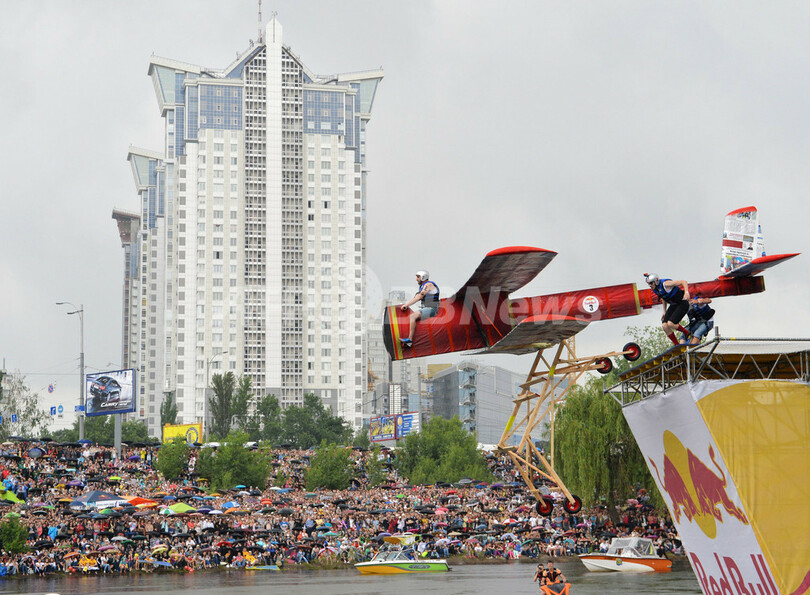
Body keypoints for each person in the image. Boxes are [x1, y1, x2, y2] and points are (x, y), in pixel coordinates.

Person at [644, 273, 691, 346]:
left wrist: (686, 292)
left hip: (682, 303)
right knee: (664, 326)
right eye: (648, 284)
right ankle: (676, 344)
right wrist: (664, 311)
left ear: (655, 281)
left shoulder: (666, 284)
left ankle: (687, 333)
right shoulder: (655, 289)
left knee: (670, 324)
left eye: (651, 283)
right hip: (674, 305)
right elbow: (664, 298)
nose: (650, 285)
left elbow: (683, 282)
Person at [399, 270, 440, 347]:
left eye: (418, 277)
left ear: (423, 277)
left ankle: (409, 340)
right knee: (413, 317)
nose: (416, 279)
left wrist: (407, 305)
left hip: (432, 309)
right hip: (428, 308)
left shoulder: (428, 285)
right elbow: (417, 296)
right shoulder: (423, 286)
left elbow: (419, 297)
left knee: (413, 316)